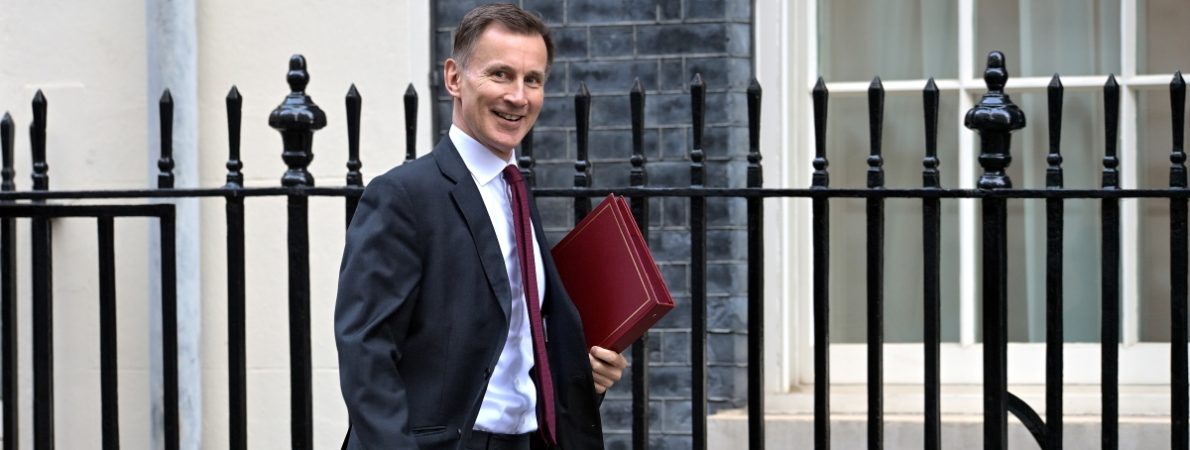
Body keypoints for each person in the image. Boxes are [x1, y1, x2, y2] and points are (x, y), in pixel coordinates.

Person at [334, 4, 628, 449]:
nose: (519, 96)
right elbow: (366, 353)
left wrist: (586, 376)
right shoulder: (403, 196)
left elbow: (514, 340)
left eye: (533, 80)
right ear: (454, 78)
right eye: (500, 74)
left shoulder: (516, 192)